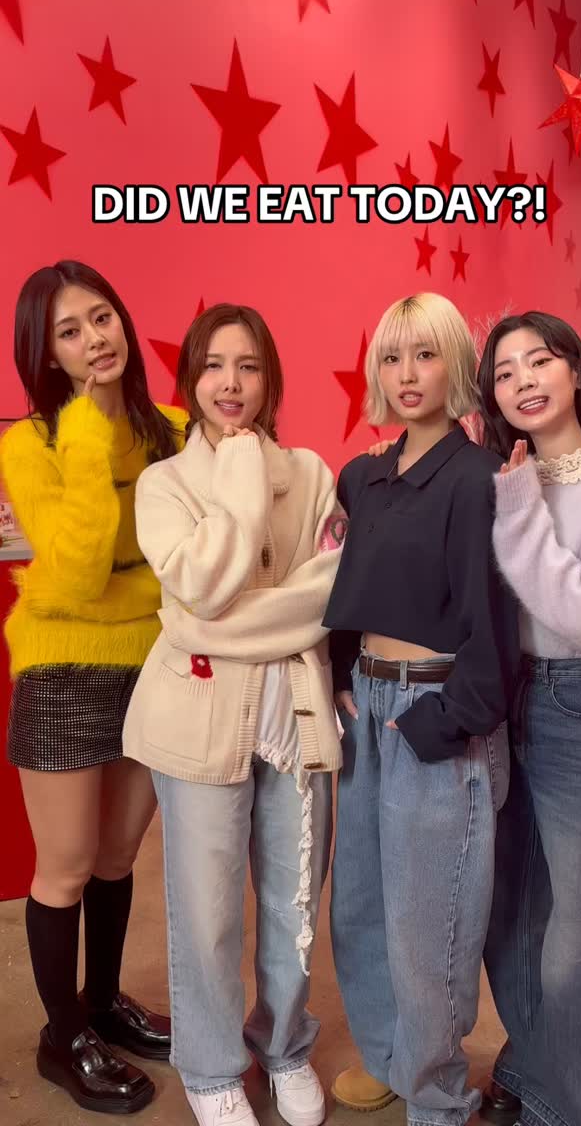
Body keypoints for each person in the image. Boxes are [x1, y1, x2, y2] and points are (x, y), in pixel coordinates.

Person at [123, 303, 346, 1126]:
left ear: (269, 379)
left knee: (294, 903)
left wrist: (215, 623)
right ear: (190, 378)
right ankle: (213, 1067)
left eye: (248, 365)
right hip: (196, 722)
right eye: (214, 365)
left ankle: (284, 1045)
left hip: (296, 717)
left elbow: (327, 596)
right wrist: (242, 481)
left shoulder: (314, 475)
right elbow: (203, 589)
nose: (231, 382)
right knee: (207, 910)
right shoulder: (165, 484)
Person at [323, 291, 521, 1126]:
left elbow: (494, 623)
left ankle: (437, 1096)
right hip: (366, 710)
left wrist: (445, 721)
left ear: (457, 366)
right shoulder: (362, 475)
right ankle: (389, 1060)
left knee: (429, 922)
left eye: (426, 354)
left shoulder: (478, 481)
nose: (408, 374)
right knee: (361, 906)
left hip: (436, 709)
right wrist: (342, 677)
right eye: (393, 356)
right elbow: (342, 585)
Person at [0, 260, 187, 1115]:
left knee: (118, 857)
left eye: (101, 317)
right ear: (47, 354)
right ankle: (63, 1035)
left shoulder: (173, 429)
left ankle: (104, 1002)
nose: (94, 339)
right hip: (64, 667)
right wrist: (83, 425)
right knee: (68, 864)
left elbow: (191, 560)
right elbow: (76, 572)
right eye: (68, 332)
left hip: (153, 663)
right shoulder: (31, 443)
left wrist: (136, 592)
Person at [476, 311, 581, 1126]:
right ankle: (532, 1069)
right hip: (504, 701)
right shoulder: (505, 476)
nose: (524, 381)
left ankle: (569, 1112)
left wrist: (516, 511)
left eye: (539, 361)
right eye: (505, 373)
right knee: (508, 916)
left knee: (579, 938)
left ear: (576, 369)